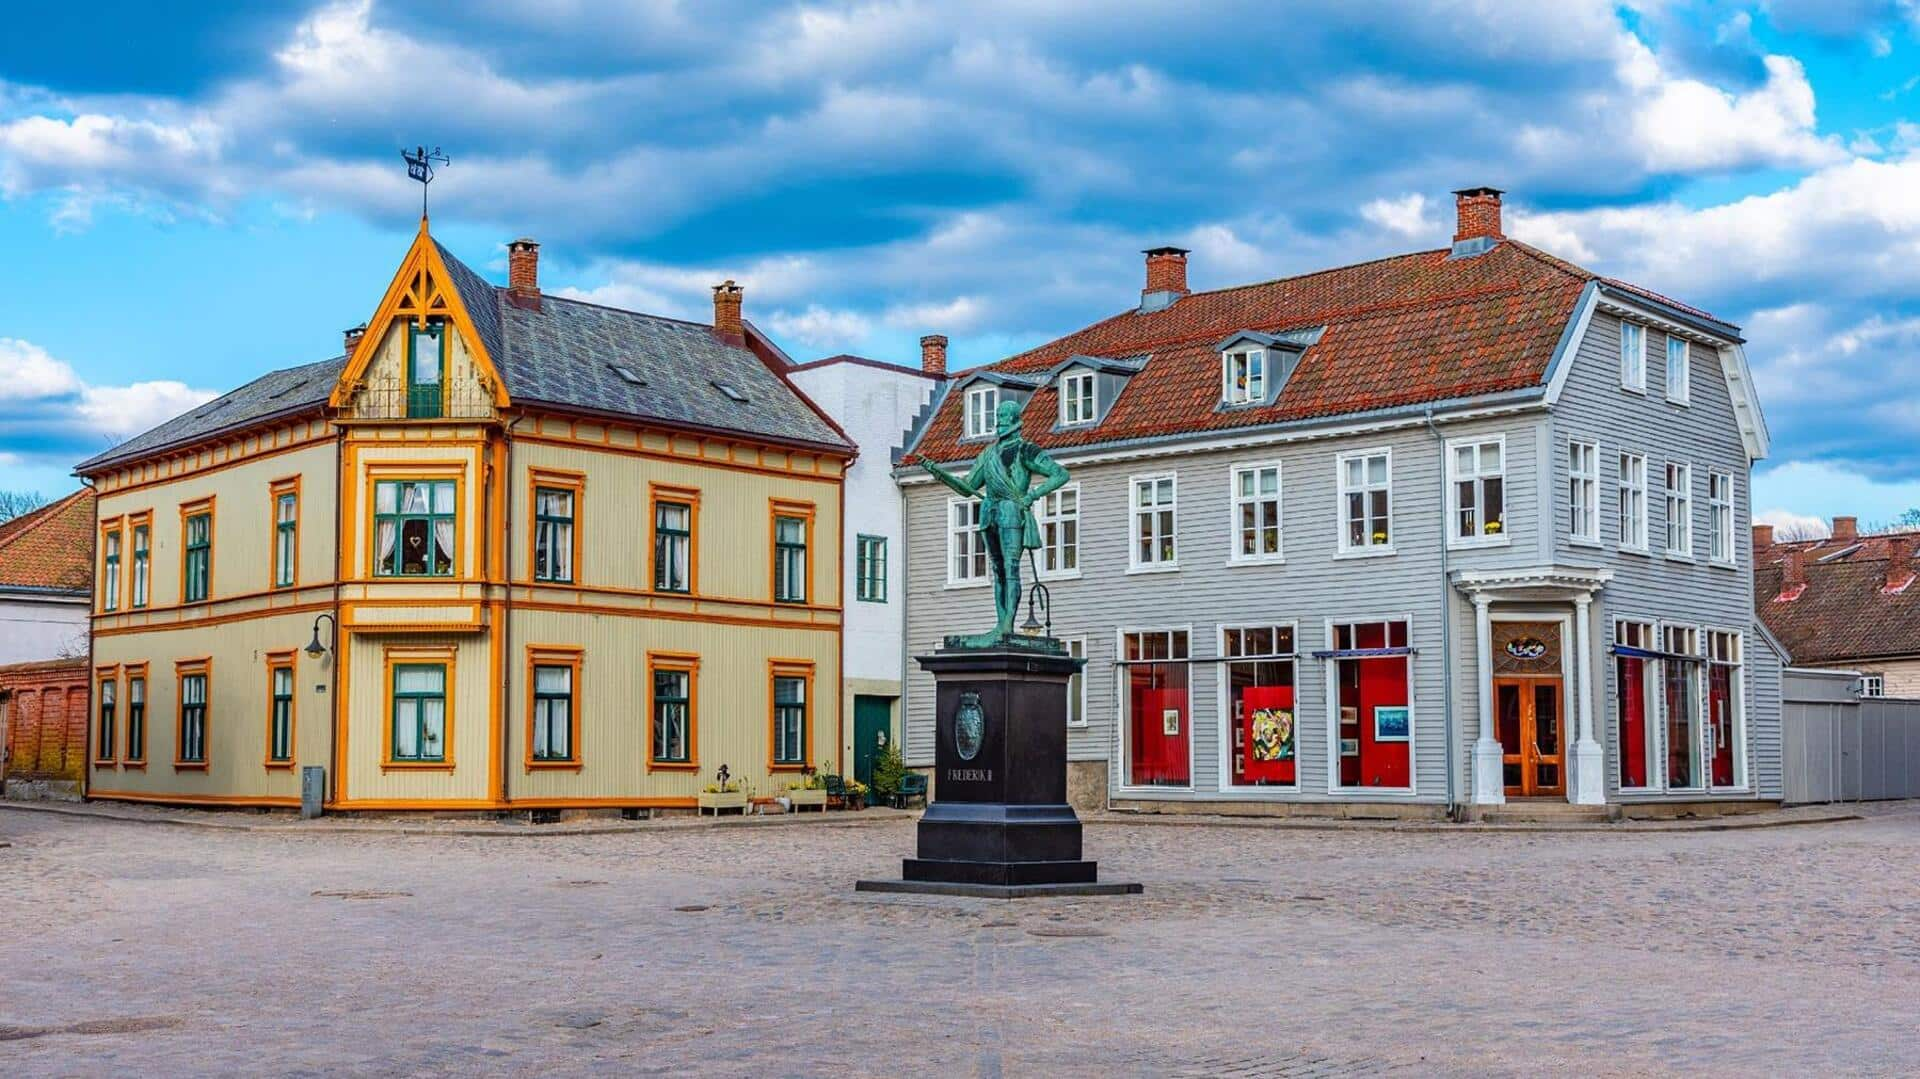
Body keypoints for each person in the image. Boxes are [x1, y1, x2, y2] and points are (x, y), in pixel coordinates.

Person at [919, 397, 1070, 644]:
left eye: (1002, 417)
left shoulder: (1026, 450)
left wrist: (1032, 495)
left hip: (1012, 510)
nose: (998, 421)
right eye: (997, 417)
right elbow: (968, 488)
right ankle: (1000, 624)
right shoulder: (987, 454)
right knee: (997, 569)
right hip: (990, 511)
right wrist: (940, 474)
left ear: (1014, 420)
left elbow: (1060, 474)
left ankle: (1007, 624)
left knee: (1011, 568)